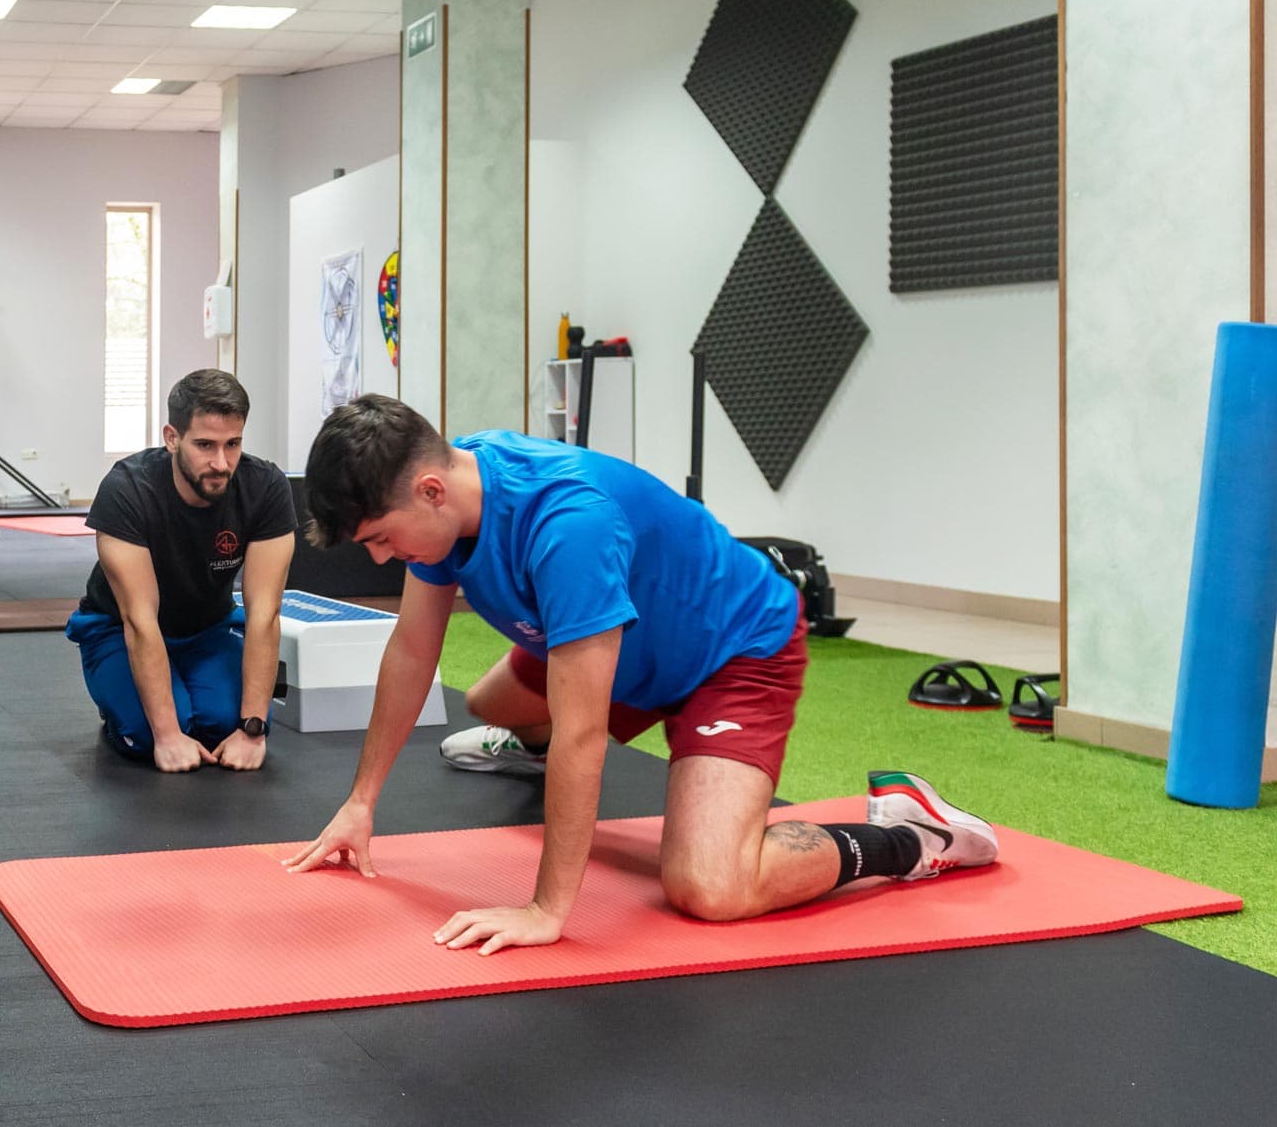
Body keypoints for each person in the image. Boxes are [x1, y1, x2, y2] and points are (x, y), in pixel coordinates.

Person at [283, 394, 997, 953]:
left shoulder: (569, 524)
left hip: (730, 653)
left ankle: (911, 835)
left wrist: (546, 909)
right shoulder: (448, 495)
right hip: (620, 637)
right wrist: (361, 801)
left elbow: (586, 737)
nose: (380, 559)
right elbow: (412, 652)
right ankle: (526, 737)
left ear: (432, 490)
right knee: (489, 700)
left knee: (710, 884)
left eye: (381, 539)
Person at [66, 369, 296, 773]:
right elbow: (138, 620)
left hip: (207, 632)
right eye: (205, 445)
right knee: (146, 737)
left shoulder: (266, 487)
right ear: (172, 438)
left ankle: (187, 703)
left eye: (233, 444)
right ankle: (122, 709)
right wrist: (168, 735)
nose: (221, 463)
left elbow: (265, 614)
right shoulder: (127, 491)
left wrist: (252, 729)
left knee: (225, 725)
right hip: (117, 630)